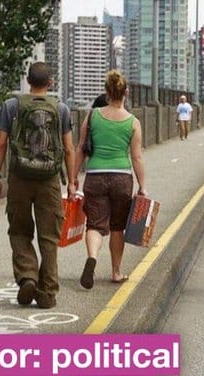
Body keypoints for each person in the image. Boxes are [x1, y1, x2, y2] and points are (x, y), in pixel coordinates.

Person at [0, 62, 76, 309]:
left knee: (19, 230)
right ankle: (47, 292)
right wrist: (72, 182)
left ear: (28, 81)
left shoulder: (12, 105)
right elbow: (69, 149)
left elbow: (1, 143)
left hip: (19, 176)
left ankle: (27, 276)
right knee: (49, 236)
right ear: (50, 82)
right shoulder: (60, 108)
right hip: (49, 179)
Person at [77, 70, 147, 289]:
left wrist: (72, 178)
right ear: (126, 92)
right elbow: (136, 157)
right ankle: (116, 272)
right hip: (121, 177)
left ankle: (92, 258)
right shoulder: (133, 122)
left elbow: (80, 148)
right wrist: (142, 186)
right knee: (117, 227)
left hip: (95, 175)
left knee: (95, 225)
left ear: (106, 91)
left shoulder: (93, 116)